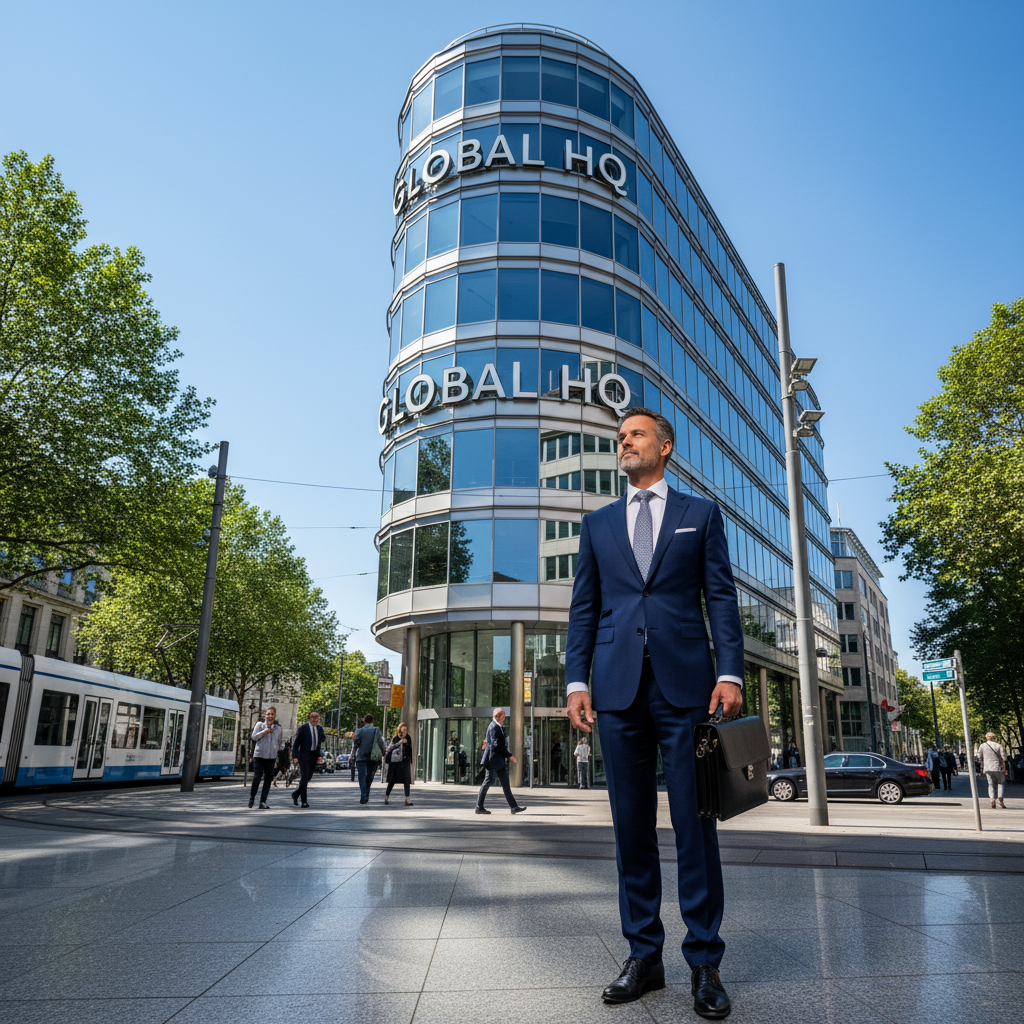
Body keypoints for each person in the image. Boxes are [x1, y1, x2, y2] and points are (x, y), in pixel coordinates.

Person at [566, 409, 744, 1020]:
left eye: (635, 435)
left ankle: (704, 962)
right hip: (615, 692)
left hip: (688, 689)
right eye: (620, 437)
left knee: (697, 826)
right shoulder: (598, 525)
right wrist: (574, 681)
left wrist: (729, 673)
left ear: (664, 446)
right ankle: (645, 955)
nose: (624, 442)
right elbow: (583, 610)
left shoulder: (701, 515)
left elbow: (719, 595)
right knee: (630, 829)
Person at [476, 708, 526, 815]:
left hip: (499, 761)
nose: (504, 719)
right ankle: (479, 807)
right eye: (503, 716)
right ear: (498, 716)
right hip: (493, 761)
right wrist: (509, 755)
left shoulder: (497, 727)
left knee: (506, 784)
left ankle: (514, 807)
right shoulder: (494, 727)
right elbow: (496, 745)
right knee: (487, 783)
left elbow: (488, 742)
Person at [248, 707, 282, 809]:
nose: (270, 716)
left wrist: (277, 753)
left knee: (268, 778)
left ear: (275, 715)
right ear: (265, 715)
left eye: (272, 714)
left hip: (271, 756)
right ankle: (252, 797)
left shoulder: (278, 728)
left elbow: (279, 742)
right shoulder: (259, 725)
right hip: (259, 755)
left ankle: (263, 801)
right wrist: (264, 732)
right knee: (257, 776)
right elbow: (254, 737)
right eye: (268, 714)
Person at [291, 711, 326, 808]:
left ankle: (296, 794)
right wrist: (294, 756)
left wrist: (321, 733)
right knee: (304, 777)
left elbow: (323, 739)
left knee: (308, 778)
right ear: (309, 718)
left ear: (318, 719)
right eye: (312, 717)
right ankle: (304, 801)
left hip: (314, 756)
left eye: (316, 717)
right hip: (304, 756)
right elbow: (296, 744)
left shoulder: (319, 728)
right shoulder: (303, 729)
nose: (314, 719)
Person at [354, 713, 386, 805]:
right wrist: (384, 753)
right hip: (373, 757)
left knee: (362, 777)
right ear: (372, 721)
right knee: (369, 777)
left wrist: (353, 754)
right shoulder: (376, 730)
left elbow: (357, 744)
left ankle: (363, 796)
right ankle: (366, 796)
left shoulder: (359, 731)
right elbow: (380, 742)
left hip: (361, 757)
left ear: (364, 721)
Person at [384, 721, 414, 806]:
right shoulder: (395, 738)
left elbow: (409, 749)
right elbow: (390, 748)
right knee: (392, 780)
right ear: (399, 730)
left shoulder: (408, 738)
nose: (404, 732)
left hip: (405, 761)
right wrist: (400, 742)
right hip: (395, 762)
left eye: (405, 730)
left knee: (406, 780)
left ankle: (407, 799)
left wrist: (406, 744)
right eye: (402, 730)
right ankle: (386, 796)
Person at [980, 733, 1007, 808]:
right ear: (993, 738)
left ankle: (992, 799)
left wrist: (982, 768)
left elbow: (979, 756)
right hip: (998, 767)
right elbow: (1003, 757)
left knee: (990, 784)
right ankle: (1000, 799)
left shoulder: (982, 746)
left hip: (987, 767)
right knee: (1001, 783)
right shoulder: (998, 745)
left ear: (986, 737)